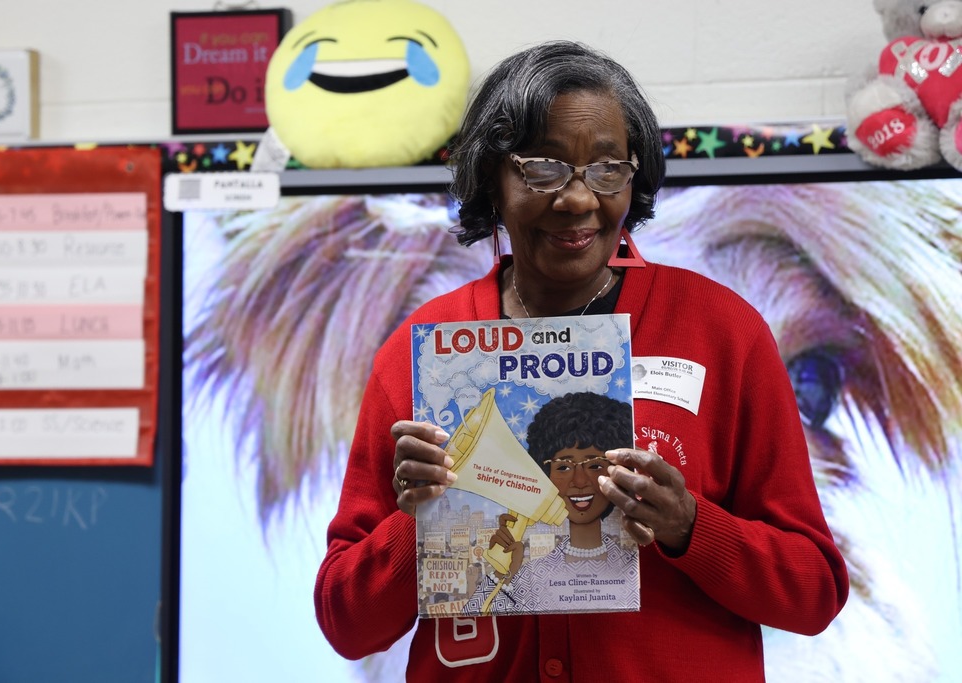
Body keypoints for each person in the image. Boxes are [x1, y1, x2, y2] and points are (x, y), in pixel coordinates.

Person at [314, 40, 849, 681]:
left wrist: (690, 527)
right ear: (491, 177)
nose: (577, 198)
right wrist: (421, 522)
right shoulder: (423, 348)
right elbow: (346, 624)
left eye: (607, 168)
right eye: (542, 168)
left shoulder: (722, 332)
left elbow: (814, 592)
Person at [462, 392, 639, 615]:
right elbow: (471, 613)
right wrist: (503, 571)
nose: (579, 481)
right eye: (563, 467)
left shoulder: (633, 565)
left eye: (594, 466)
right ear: (545, 475)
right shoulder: (530, 573)